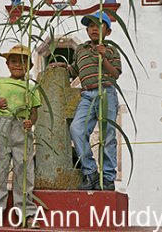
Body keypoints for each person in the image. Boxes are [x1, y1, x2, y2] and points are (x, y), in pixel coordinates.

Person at [0, 44, 41, 229]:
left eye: (22, 62)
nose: (17, 65)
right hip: (2, 125)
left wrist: (30, 122)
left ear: (30, 65)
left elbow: (35, 112)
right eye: (13, 61)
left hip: (22, 128)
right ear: (7, 64)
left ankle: (26, 213)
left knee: (24, 170)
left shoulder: (31, 87)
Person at [69, 11, 122, 191]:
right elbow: (75, 70)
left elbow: (115, 74)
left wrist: (104, 57)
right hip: (87, 94)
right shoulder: (81, 50)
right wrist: (62, 67)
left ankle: (107, 177)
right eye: (91, 25)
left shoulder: (111, 49)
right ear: (87, 29)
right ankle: (90, 171)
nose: (94, 28)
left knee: (107, 135)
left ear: (107, 32)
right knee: (76, 128)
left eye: (99, 25)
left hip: (106, 91)